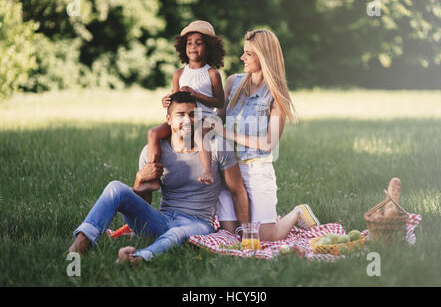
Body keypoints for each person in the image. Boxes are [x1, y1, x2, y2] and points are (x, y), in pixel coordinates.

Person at [68, 92, 250, 263]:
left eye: (192, 114)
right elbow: (144, 206)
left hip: (198, 223)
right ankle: (80, 245)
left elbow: (238, 190)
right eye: (180, 115)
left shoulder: (217, 146)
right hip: (162, 219)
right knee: (115, 187)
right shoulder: (151, 152)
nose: (187, 120)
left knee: (177, 233)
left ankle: (138, 259)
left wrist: (247, 234)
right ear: (168, 119)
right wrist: (140, 178)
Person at [207, 29, 320, 241]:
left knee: (265, 237)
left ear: (264, 57)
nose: (242, 57)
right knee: (229, 235)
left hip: (257, 170)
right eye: (244, 52)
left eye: (249, 54)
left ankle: (297, 213)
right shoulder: (233, 82)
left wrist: (227, 134)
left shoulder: (276, 95)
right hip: (229, 171)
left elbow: (269, 143)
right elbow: (217, 117)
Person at [146, 20, 225, 188]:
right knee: (153, 133)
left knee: (198, 133)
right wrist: (166, 101)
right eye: (189, 43)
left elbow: (220, 102)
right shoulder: (179, 73)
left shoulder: (212, 74)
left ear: (209, 47)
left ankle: (207, 170)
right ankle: (152, 174)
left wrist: (196, 94)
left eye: (198, 43)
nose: (193, 47)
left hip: (207, 118)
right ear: (184, 47)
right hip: (184, 118)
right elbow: (175, 101)